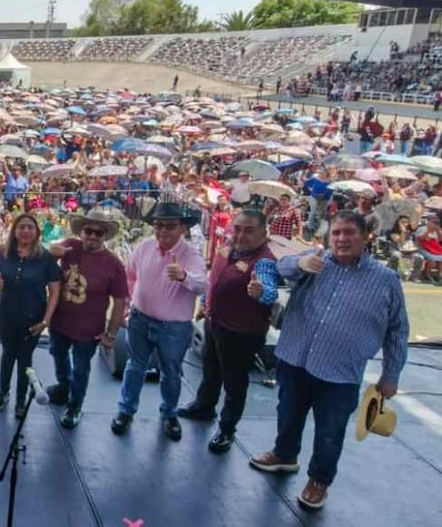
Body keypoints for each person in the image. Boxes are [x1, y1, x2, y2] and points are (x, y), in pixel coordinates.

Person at [249, 211, 409, 510]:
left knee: (330, 432)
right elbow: (276, 267)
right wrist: (299, 263)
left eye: (349, 232)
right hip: (295, 358)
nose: (341, 239)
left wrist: (391, 375)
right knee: (288, 414)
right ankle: (284, 455)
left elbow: (398, 330)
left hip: (340, 372)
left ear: (365, 237)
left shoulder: (386, 280)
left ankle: (319, 481)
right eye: (336, 233)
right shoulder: (315, 260)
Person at [178, 209, 279, 452]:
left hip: (241, 332)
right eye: (238, 229)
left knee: (234, 383)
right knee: (210, 368)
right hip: (216, 322)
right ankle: (204, 407)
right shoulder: (227, 247)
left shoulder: (264, 261)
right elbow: (214, 278)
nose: (241, 235)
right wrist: (206, 303)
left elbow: (269, 291)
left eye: (249, 230)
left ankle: (227, 429)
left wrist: (261, 292)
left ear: (263, 233)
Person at [112, 202, 207, 440]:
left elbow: (202, 285)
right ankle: (126, 411)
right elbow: (130, 276)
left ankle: (169, 414)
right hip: (140, 319)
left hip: (174, 327)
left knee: (171, 373)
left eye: (169, 226)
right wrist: (128, 304)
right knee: (135, 367)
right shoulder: (144, 246)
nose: (163, 231)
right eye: (158, 225)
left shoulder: (191, 255)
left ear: (182, 228)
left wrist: (183, 276)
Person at [47, 209, 128, 428]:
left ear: (105, 235)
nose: (92, 236)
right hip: (59, 321)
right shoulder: (69, 247)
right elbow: (46, 261)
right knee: (57, 354)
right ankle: (63, 386)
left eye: (98, 232)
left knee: (81, 368)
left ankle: (75, 405)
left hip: (89, 329)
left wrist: (111, 334)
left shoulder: (113, 264)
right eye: (88, 231)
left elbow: (120, 302)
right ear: (81, 231)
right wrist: (50, 253)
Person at [0, 213, 61, 419]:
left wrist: (45, 321)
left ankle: (20, 400)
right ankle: (3, 392)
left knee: (25, 359)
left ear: (37, 232)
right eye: (21, 227)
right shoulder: (3, 252)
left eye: (30, 227)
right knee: (7, 354)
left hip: (33, 317)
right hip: (6, 314)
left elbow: (55, 291)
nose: (26, 231)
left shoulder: (45, 257)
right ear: (14, 231)